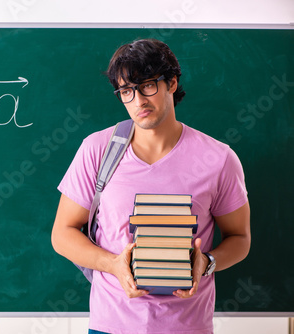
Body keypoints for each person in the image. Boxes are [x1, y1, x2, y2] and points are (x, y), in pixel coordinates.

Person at [51, 39, 251, 334]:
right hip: (111, 326)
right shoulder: (98, 150)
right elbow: (62, 235)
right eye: (127, 91)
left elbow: (239, 237)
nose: (138, 101)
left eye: (147, 86)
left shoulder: (218, 158)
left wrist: (207, 262)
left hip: (188, 327)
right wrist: (113, 265)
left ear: (171, 82)